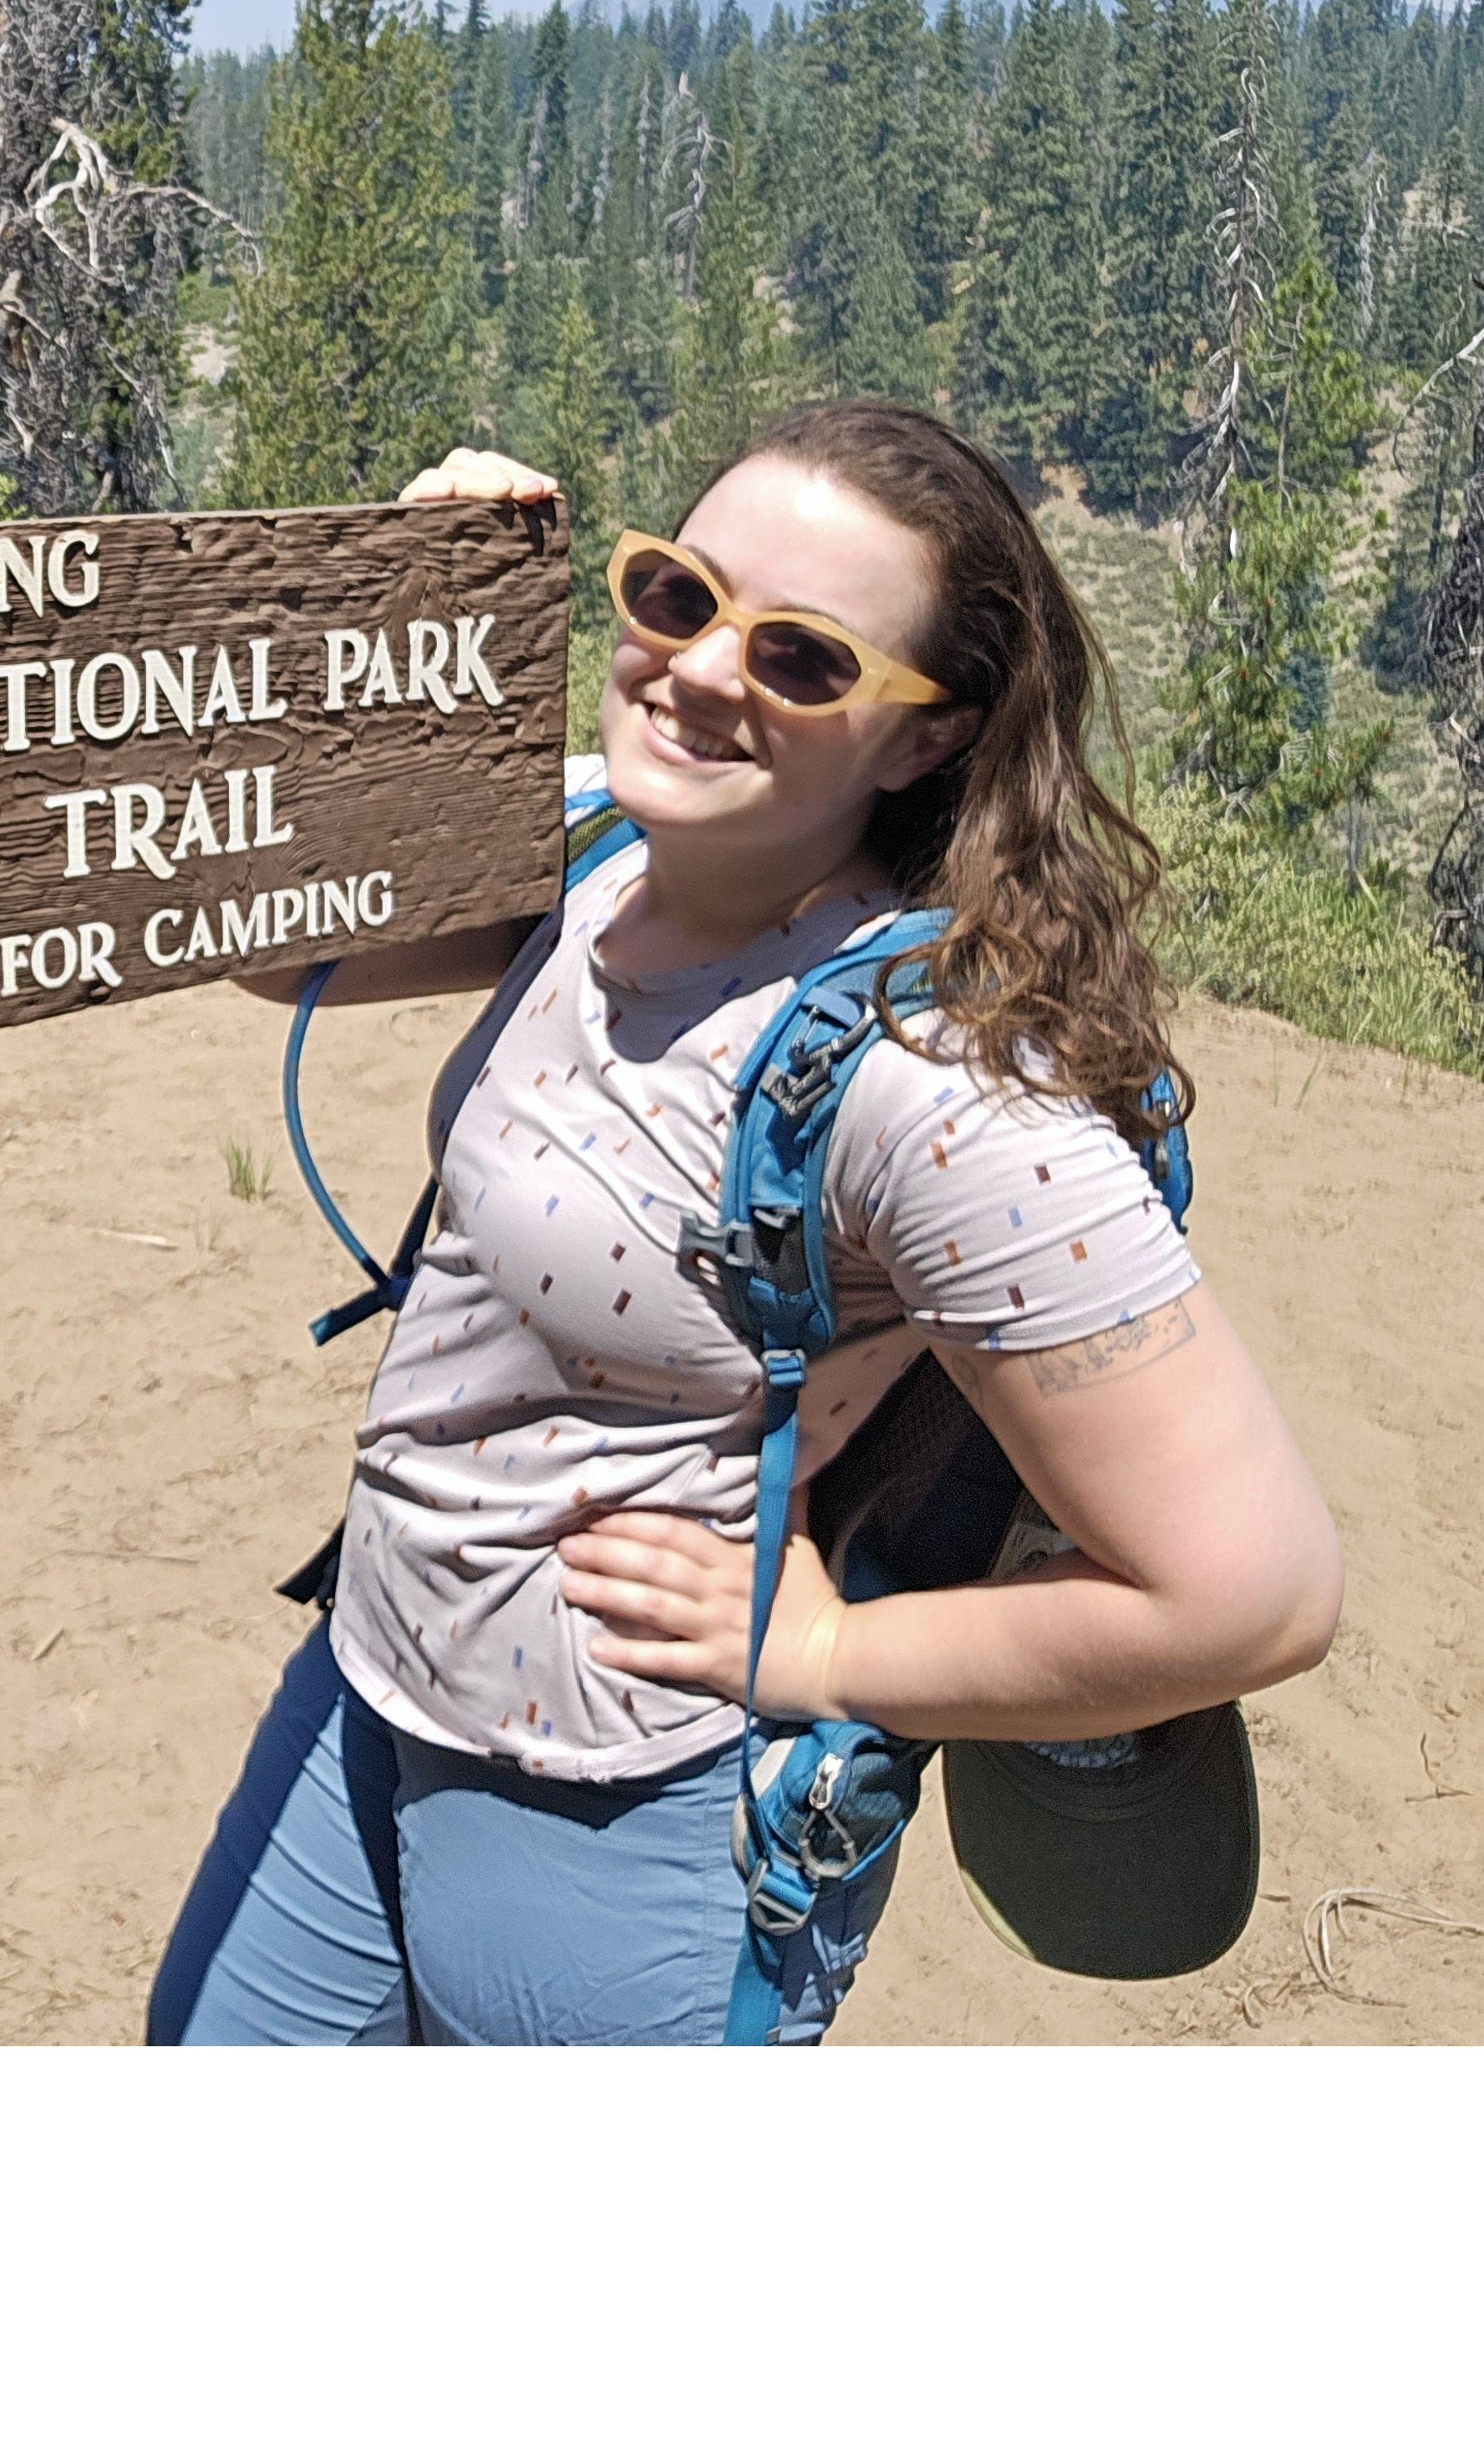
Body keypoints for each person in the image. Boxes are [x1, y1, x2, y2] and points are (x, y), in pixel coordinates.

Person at [150, 403, 1343, 2045]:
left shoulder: (938, 1090)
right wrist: (400, 610)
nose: (703, 668)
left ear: (926, 736)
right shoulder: (586, 837)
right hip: (369, 1671)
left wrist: (830, 1647)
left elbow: (1255, 1597)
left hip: (616, 1801)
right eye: (676, 594)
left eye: (801, 657)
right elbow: (277, 944)